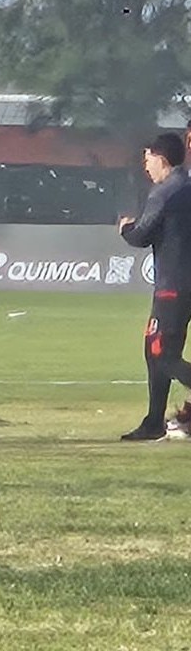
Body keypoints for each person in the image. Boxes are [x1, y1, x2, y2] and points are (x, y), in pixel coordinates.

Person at [118, 133, 191, 442]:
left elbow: (143, 234)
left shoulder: (164, 192)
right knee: (163, 352)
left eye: (147, 160)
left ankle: (153, 422)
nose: (145, 166)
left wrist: (126, 228)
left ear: (161, 160)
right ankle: (153, 421)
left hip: (172, 285)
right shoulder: (187, 187)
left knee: (158, 352)